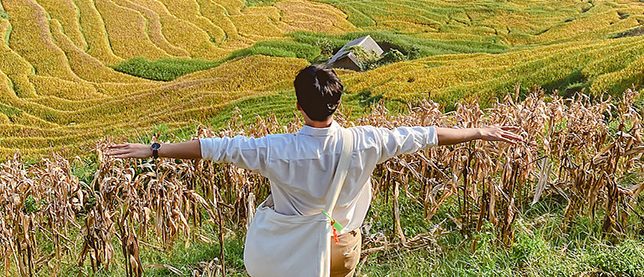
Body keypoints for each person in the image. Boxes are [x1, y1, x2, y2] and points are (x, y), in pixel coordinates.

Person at [106, 65, 523, 277]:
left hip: (291, 251)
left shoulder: (277, 149)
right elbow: (427, 134)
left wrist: (153, 149)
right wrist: (480, 130)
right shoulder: (367, 140)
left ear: (299, 107)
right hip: (342, 246)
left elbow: (212, 148)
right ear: (337, 105)